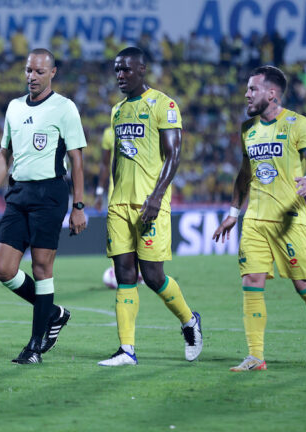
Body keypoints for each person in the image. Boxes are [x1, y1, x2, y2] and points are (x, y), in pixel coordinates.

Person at [213, 65, 306, 371]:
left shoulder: (298, 124)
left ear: (271, 93)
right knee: (251, 281)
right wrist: (233, 213)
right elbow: (244, 175)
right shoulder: (248, 129)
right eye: (247, 89)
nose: (246, 94)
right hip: (255, 219)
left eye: (252, 89)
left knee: (304, 286)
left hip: (287, 220)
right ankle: (256, 356)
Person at [0, 48, 87, 364]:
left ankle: (35, 347)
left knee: (41, 268)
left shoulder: (65, 108)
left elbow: (77, 159)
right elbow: (3, 154)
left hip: (50, 194)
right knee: (3, 268)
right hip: (18, 193)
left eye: (38, 71)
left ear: (52, 72)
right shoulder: (13, 108)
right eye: (28, 70)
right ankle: (52, 313)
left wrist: (78, 205)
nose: (32, 77)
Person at [99, 47, 203, 367]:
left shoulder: (164, 105)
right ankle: (127, 350)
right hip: (119, 205)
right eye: (117, 70)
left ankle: (189, 321)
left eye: (126, 70)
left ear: (142, 70)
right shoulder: (117, 112)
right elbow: (117, 159)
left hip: (150, 203)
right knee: (124, 274)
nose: (120, 75)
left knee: (154, 276)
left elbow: (174, 154)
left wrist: (157, 196)